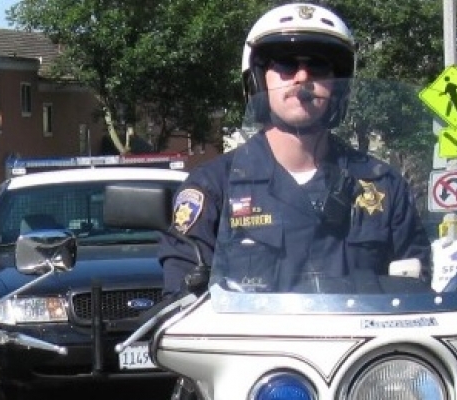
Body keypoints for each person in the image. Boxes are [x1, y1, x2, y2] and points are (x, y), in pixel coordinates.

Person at [159, 2, 429, 296]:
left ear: (339, 87)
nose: (303, 77)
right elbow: (183, 300)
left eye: (319, 66)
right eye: (286, 64)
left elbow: (415, 294)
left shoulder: (383, 185)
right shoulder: (215, 187)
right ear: (258, 80)